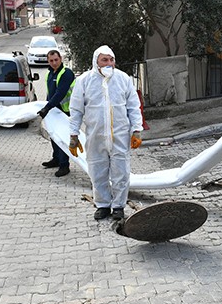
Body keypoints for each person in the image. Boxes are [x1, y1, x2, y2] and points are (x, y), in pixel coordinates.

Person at [68, 45, 143, 221]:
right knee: (97, 172)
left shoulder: (123, 79)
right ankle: (102, 205)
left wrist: (136, 130)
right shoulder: (84, 81)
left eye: (112, 60)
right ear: (96, 62)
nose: (109, 64)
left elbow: (133, 106)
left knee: (121, 174)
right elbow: (76, 110)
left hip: (120, 136)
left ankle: (118, 206)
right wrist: (73, 136)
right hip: (95, 137)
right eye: (105, 60)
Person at [37, 50, 76, 177]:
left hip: (66, 111)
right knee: (54, 136)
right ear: (48, 61)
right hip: (54, 110)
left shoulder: (66, 73)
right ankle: (56, 159)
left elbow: (60, 93)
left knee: (63, 138)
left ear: (61, 59)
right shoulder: (50, 74)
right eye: (51, 60)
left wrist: (47, 107)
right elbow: (50, 92)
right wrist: (47, 106)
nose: (54, 63)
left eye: (56, 60)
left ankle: (64, 166)